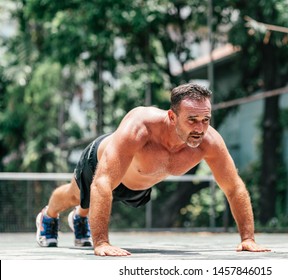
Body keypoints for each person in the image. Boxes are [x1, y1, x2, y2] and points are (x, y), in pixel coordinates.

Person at [36, 83, 271, 256]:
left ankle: (81, 217)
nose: (200, 128)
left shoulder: (209, 142)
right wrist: (101, 243)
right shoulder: (140, 127)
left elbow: (234, 187)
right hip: (101, 165)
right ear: (172, 116)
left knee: (86, 206)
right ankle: (50, 216)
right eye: (192, 120)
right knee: (75, 196)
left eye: (205, 119)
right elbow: (103, 182)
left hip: (138, 185)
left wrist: (247, 238)